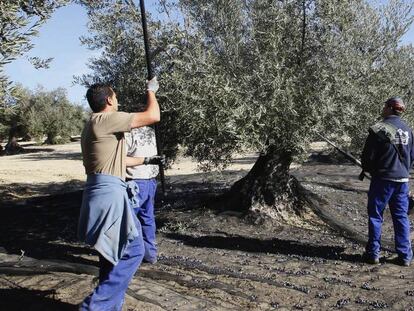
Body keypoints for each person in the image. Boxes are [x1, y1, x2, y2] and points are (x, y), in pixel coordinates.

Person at [77, 77, 160, 311]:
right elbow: (153, 115)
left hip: (99, 191)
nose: (118, 100)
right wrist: (151, 91)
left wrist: (146, 159)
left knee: (111, 251)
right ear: (109, 100)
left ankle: (110, 306)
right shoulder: (107, 118)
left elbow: (118, 160)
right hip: (110, 195)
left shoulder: (93, 124)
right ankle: (94, 306)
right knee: (134, 250)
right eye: (116, 96)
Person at [361, 97, 414, 266]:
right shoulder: (409, 130)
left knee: (376, 216)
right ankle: (405, 256)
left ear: (390, 108)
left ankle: (373, 254)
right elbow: (412, 157)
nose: (383, 109)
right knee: (401, 217)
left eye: (385, 106)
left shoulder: (379, 129)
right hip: (402, 180)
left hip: (383, 180)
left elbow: (367, 158)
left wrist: (370, 169)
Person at [125, 126, 162, 264]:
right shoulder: (151, 131)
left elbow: (120, 160)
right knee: (147, 218)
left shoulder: (128, 133)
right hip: (150, 180)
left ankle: (132, 256)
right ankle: (149, 254)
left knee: (130, 220)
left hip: (134, 182)